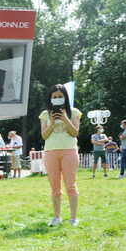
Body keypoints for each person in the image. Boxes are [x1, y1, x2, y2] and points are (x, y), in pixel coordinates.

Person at [39, 84, 82, 226]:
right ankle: (57, 217)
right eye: (54, 97)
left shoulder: (74, 112)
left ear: (65, 97)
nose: (57, 99)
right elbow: (44, 136)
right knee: (55, 188)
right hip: (51, 152)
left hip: (69, 151)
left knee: (71, 185)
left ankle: (73, 218)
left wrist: (64, 119)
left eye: (60, 97)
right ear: (50, 99)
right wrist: (52, 122)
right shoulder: (45, 114)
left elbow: (75, 132)